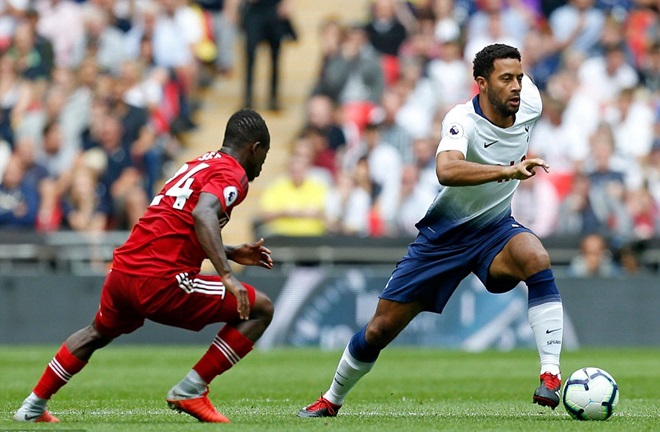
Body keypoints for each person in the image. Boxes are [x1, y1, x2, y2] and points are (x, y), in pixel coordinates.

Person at [297, 44, 565, 418]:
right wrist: (506, 171)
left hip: (494, 230)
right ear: (482, 84)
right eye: (506, 79)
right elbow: (447, 170)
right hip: (444, 238)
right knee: (379, 329)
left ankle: (550, 375)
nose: (517, 86)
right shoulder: (462, 120)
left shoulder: (531, 103)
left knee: (536, 257)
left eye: (519, 77)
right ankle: (331, 398)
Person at [14, 109, 275, 424]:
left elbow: (176, 226)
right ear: (255, 147)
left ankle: (32, 407)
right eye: (265, 155)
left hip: (123, 271)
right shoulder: (233, 173)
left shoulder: (197, 164)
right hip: (162, 280)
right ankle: (191, 389)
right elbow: (203, 214)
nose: (262, 165)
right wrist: (227, 275)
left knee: (96, 333)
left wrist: (230, 251)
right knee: (261, 308)